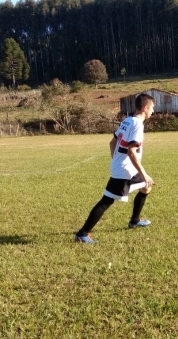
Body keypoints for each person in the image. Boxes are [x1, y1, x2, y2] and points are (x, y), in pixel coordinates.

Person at [75, 93, 156, 244]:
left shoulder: (127, 121)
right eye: (152, 108)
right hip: (124, 171)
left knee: (146, 188)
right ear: (145, 108)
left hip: (126, 168)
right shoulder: (138, 124)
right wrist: (144, 174)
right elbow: (131, 152)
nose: (153, 111)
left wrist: (116, 161)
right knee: (106, 201)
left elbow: (112, 143)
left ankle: (135, 220)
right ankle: (82, 234)